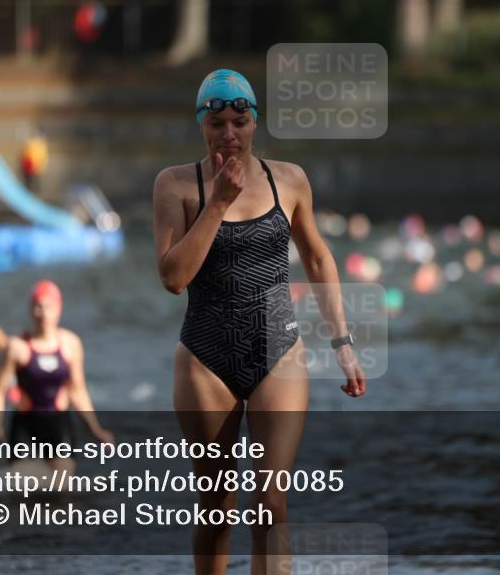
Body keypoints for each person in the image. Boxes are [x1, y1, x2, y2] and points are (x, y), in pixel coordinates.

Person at [152, 69, 367, 575]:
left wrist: (344, 343)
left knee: (271, 505)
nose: (230, 134)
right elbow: (172, 278)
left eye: (240, 122)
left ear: (255, 124)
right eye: (218, 123)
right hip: (205, 357)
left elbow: (317, 259)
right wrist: (219, 202)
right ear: (202, 126)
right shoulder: (176, 184)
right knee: (216, 509)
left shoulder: (287, 179)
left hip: (279, 348)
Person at [0, 280, 112, 478]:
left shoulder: (71, 344)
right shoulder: (17, 347)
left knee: (61, 490)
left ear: (59, 309)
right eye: (38, 306)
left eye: (49, 307)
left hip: (58, 424)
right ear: (31, 309)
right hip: (25, 424)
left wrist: (96, 430)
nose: (43, 313)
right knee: (22, 491)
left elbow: (78, 392)